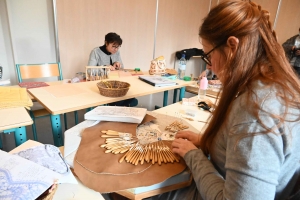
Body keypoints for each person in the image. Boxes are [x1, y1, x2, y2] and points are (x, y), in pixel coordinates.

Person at [156, 1, 300, 199]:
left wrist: (193, 156)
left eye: (209, 55)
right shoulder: (279, 85)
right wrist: (209, 143)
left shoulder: (256, 111)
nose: (210, 67)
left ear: (232, 46)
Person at [88, 32, 138, 107]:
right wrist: (104, 67)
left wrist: (117, 65)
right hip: (103, 87)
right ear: (106, 43)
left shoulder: (117, 52)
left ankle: (117, 110)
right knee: (121, 102)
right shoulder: (96, 52)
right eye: (114, 46)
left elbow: (122, 67)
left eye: (118, 47)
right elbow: (90, 70)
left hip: (116, 84)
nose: (116, 49)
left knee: (134, 101)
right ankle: (117, 110)